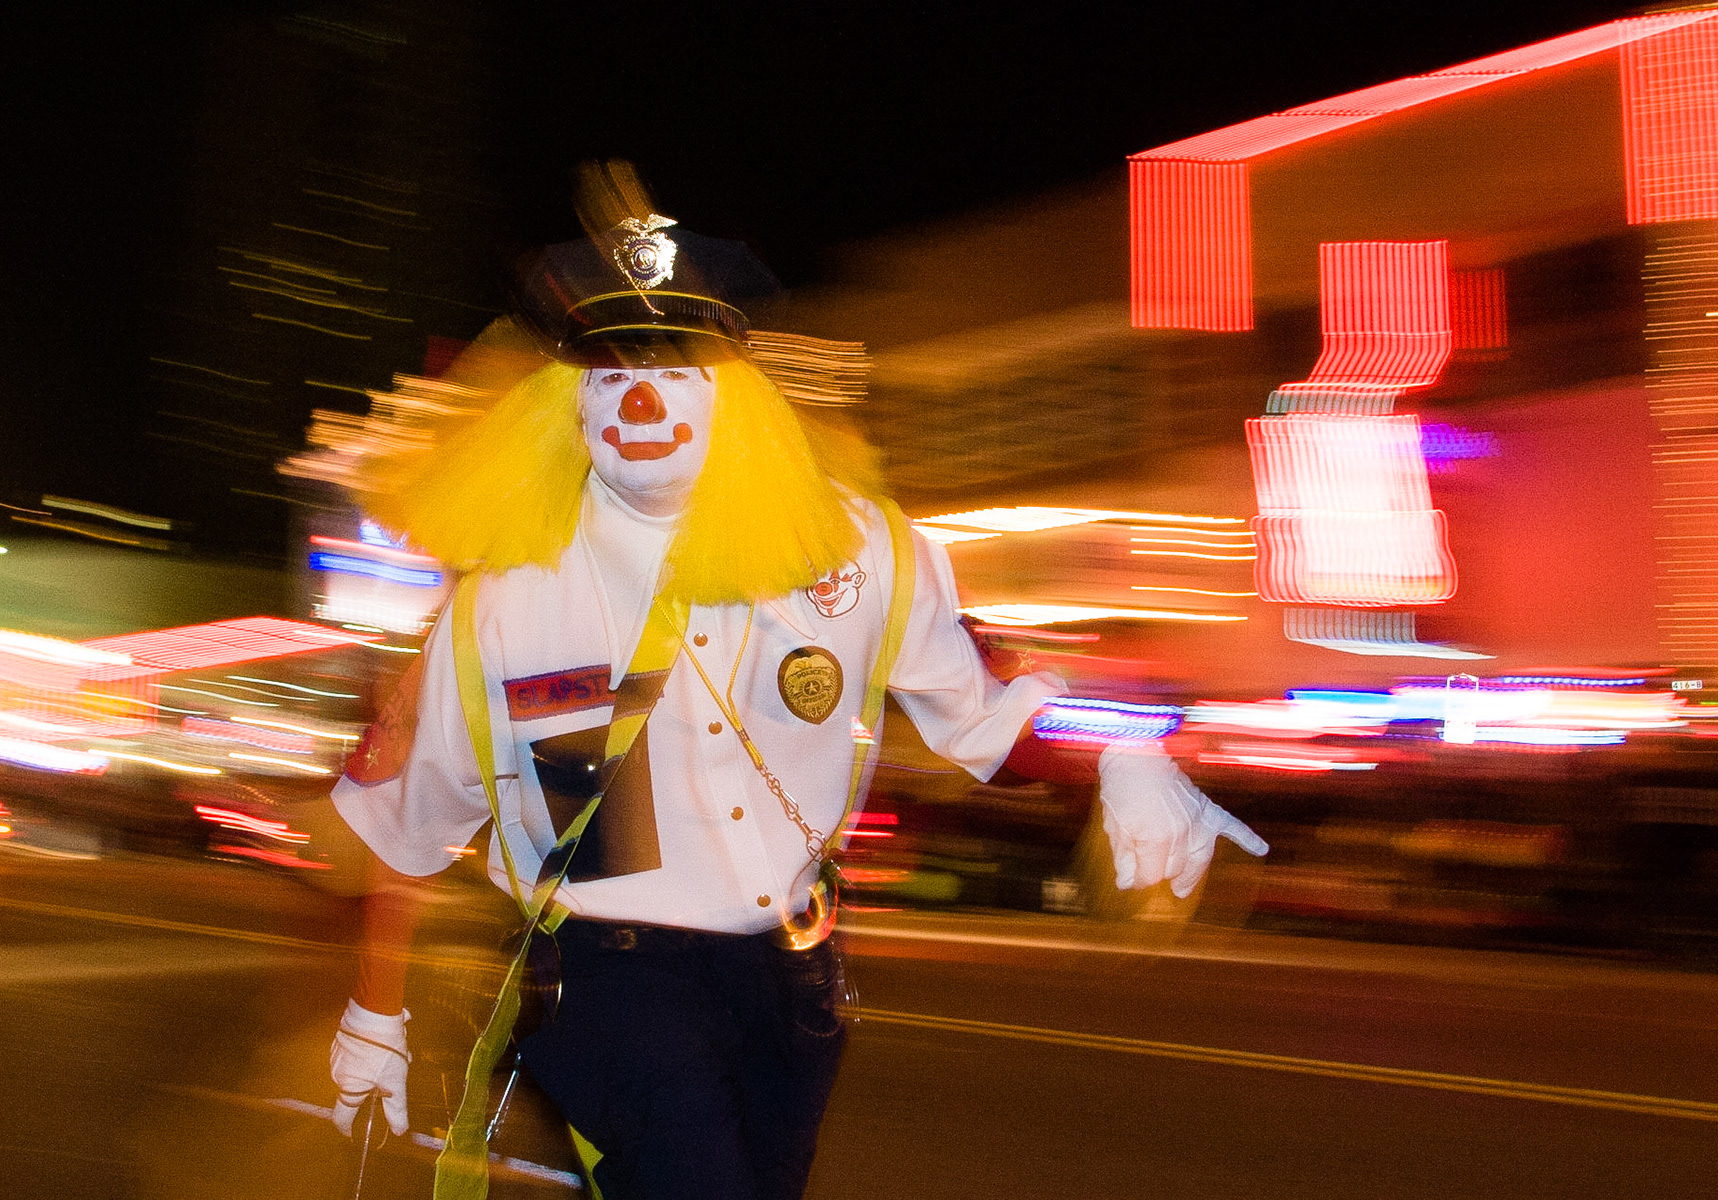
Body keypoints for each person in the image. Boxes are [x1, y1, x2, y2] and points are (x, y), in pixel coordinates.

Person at [324, 161, 1267, 1200]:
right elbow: (404, 822)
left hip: (794, 982)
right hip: (610, 978)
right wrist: (376, 1010)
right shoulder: (506, 603)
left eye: (676, 367)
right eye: (607, 368)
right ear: (566, 406)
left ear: (734, 398)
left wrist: (1122, 749)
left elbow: (985, 704)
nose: (640, 397)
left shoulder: (855, 553)